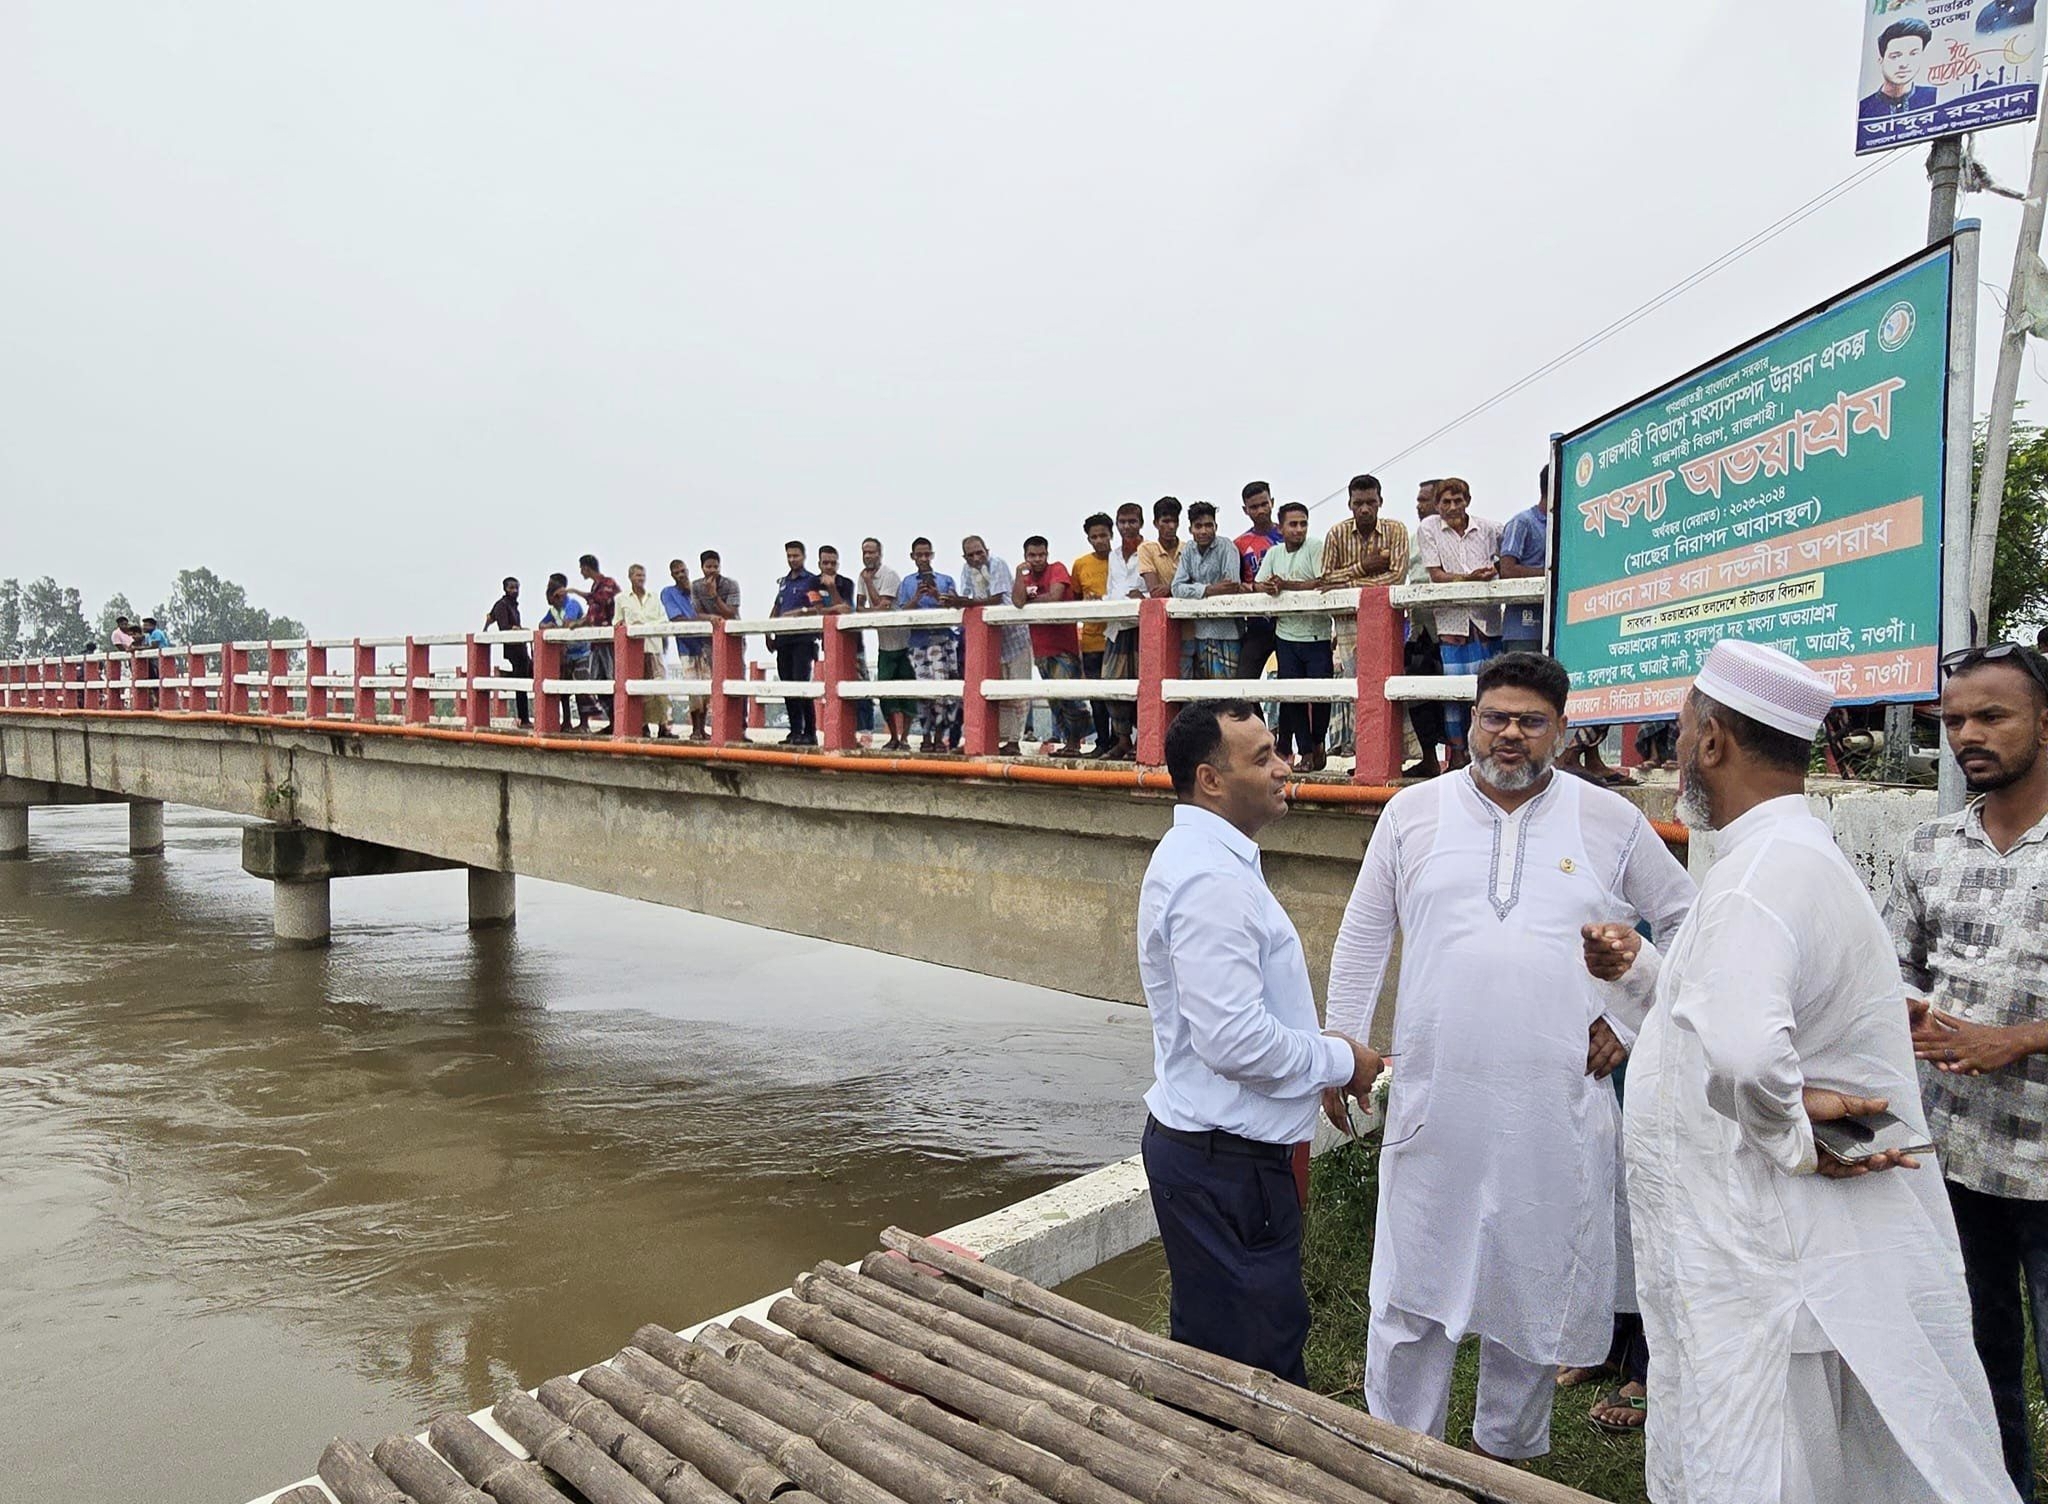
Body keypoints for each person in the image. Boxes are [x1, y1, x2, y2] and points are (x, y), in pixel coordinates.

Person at [1586, 639, 2015, 1504]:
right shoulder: (1781, 857)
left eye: (1678, 734)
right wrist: (1641, 972)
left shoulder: (1759, 877)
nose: (1672, 754)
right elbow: (1723, 1017)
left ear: (1713, 743)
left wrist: (1785, 1129)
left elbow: (1745, 1050)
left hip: (1766, 1260)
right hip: (1774, 1259)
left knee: (1761, 1469)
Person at [1326, 651, 1694, 1465]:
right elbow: (1363, 934)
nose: (1511, 735)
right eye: (1496, 717)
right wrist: (1344, 1044)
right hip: (1437, 1095)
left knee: (1535, 1287)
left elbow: (1688, 920)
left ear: (1561, 730)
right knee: (1412, 1288)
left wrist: (1631, 1020)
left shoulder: (1611, 822)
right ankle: (1398, 1454)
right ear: (1471, 722)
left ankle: (1506, 1460)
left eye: (1531, 721)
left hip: (1552, 1102)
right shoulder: (1412, 814)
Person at [1139, 699, 1384, 1385]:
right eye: (1264, 758)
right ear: (1210, 780)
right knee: (1257, 1374)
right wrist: (1342, 1058)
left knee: (1222, 1357)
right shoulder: (1212, 880)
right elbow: (1236, 1042)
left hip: (1221, 1160)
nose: (1286, 768)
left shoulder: (1210, 860)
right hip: (1229, 1169)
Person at [1892, 643, 2048, 1500]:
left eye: (1992, 716)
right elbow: (1898, 964)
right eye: (1954, 721)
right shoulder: (1931, 844)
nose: (1968, 736)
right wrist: (1908, 1006)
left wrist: (2017, 1040)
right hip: (1953, 1161)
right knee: (1977, 1377)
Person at [1320, 474, 1410, 758]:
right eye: (1359, 503)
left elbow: (1396, 577)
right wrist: (1363, 567)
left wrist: (1349, 582)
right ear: (1349, 504)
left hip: (1387, 622)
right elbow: (1325, 580)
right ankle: (1363, 755)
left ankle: (1395, 755)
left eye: (1370, 502)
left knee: (1390, 686)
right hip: (1347, 623)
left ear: (1380, 501)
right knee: (1357, 691)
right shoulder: (1336, 534)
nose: (1365, 509)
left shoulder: (1396, 531)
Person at [1418, 477, 1503, 767]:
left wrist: (1498, 570)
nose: (1453, 507)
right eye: (1446, 502)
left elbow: (1510, 551)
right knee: (1455, 695)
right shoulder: (1429, 529)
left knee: (1488, 691)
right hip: (1452, 623)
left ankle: (1489, 753)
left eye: (1458, 500)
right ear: (1437, 505)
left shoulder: (1488, 529)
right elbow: (1436, 575)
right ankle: (1457, 756)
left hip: (1486, 621)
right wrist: (1470, 579)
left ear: (1467, 500)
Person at [1256, 502, 1334, 772]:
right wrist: (1266, 586)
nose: (1298, 529)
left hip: (1316, 634)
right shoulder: (1274, 553)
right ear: (1281, 527)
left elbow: (1321, 582)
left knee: (1321, 695)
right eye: (1293, 524)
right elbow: (1259, 582)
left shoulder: (1314, 547)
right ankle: (1306, 752)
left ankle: (1318, 742)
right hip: (1286, 634)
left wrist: (1284, 586)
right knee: (1293, 698)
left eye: (1303, 523)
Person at [1012, 535, 1093, 757]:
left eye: (1041, 554)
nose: (1037, 559)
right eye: (1032, 555)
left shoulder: (1057, 568)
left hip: (1063, 647)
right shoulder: (1025, 578)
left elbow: (1056, 597)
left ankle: (1075, 742)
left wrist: (1031, 602)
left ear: (1047, 554)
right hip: (1041, 648)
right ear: (1025, 556)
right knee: (1055, 699)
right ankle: (1069, 743)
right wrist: (1020, 575)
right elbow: (1018, 602)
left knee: (1070, 697)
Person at [954, 536, 1032, 756]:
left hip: (1014, 636)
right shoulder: (966, 570)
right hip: (990, 639)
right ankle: (996, 739)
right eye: (971, 555)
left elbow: (996, 598)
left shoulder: (996, 564)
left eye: (980, 553)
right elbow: (968, 596)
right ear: (965, 557)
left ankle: (1015, 741)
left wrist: (964, 603)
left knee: (1019, 690)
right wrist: (958, 602)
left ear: (987, 551)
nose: (977, 558)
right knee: (996, 693)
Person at [1170, 502, 1246, 681]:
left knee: (1229, 690)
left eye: (1208, 525)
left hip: (1228, 631)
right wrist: (1209, 589)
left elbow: (1231, 586)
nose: (1203, 531)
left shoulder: (1226, 547)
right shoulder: (1188, 550)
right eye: (1198, 526)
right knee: (1207, 692)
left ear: (1215, 526)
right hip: (1201, 631)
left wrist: (1196, 589)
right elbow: (1176, 588)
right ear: (1191, 529)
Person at [897, 538, 961, 753]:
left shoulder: (946, 580)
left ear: (932, 555)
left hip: (943, 640)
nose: (923, 559)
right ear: (912, 556)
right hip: (919, 643)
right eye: (919, 555)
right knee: (923, 693)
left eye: (927, 554)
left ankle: (939, 738)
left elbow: (955, 607)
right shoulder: (907, 583)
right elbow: (902, 612)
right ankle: (925, 737)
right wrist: (917, 596)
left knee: (944, 693)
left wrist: (936, 595)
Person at [1097, 503, 1148, 761]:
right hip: (1117, 626)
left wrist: (1143, 597)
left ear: (1141, 523)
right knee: (1112, 684)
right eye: (1122, 522)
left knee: (1145, 684)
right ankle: (1123, 739)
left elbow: (1155, 588)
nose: (1127, 527)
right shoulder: (1114, 556)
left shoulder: (1149, 551)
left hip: (1143, 627)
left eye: (1132, 521)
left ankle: (1143, 741)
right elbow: (1112, 587)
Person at [1403, 481, 1446, 777]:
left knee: (1457, 694)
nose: (1419, 505)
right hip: (1419, 628)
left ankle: (1459, 758)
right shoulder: (1412, 537)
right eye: (1417, 500)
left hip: (1451, 627)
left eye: (1425, 500)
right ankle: (1429, 757)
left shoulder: (1452, 536)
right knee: (1418, 692)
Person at [859, 537, 914, 752]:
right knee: (884, 693)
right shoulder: (861, 576)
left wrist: (870, 583)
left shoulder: (889, 575)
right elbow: (859, 607)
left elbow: (882, 606)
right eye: (865, 552)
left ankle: (906, 737)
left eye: (872, 552)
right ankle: (893, 736)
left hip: (903, 642)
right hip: (884, 645)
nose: (868, 556)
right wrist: (875, 605)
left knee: (908, 692)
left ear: (880, 554)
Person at [768, 540, 821, 746]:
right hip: (783, 639)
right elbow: (777, 607)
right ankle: (794, 731)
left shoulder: (810, 581)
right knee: (787, 685)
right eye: (789, 556)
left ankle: (810, 732)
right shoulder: (784, 582)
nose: (792, 560)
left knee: (801, 685)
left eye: (795, 556)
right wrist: (768, 631)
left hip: (803, 638)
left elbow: (817, 607)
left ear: (803, 556)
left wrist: (799, 613)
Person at [1235, 482, 1286, 685]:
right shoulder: (1240, 544)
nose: (1261, 510)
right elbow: (1237, 584)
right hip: (1257, 623)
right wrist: (1253, 588)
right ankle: (1258, 719)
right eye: (1254, 507)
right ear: (1245, 510)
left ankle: (1286, 720)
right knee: (1243, 683)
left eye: (1264, 504)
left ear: (1272, 502)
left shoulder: (1287, 535)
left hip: (1289, 622)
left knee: (1292, 684)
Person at [1495, 465, 1551, 649]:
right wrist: (1551, 574)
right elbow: (1507, 570)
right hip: (1523, 626)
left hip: (1554, 624)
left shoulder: (1563, 523)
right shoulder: (1522, 522)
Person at [1073, 513, 1115, 754]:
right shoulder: (1080, 564)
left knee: (1120, 695)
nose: (1099, 540)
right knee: (1096, 696)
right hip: (1091, 639)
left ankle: (1122, 741)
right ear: (1088, 539)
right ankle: (1101, 742)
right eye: (1094, 537)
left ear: (1111, 535)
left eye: (1103, 535)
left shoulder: (1121, 560)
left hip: (1117, 637)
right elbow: (1076, 599)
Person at [614, 564, 673, 737]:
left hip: (654, 647)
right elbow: (617, 623)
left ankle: (664, 725)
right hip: (634, 651)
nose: (641, 578)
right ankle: (642, 725)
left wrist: (645, 627)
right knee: (638, 689)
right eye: (637, 575)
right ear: (630, 577)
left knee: (659, 686)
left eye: (643, 575)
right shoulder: (622, 599)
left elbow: (663, 621)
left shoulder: (653, 597)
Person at [661, 560, 708, 741]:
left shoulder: (696, 591)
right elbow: (677, 618)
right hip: (687, 646)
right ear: (672, 575)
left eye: (683, 571)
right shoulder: (669, 593)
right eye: (676, 572)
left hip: (705, 645)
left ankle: (703, 728)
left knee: (707, 689)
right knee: (694, 688)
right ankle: (695, 729)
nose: (681, 575)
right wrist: (703, 621)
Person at [542, 581, 599, 729]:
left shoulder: (571, 604)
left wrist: (554, 627)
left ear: (557, 596)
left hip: (581, 652)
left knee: (581, 689)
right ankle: (566, 721)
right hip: (567, 655)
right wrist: (548, 625)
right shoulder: (554, 610)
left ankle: (584, 723)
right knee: (564, 690)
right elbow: (542, 624)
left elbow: (568, 623)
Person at [573, 554, 620, 724]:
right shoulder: (595, 587)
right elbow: (592, 615)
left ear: (586, 568)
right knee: (596, 681)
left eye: (581, 568)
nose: (581, 572)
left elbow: (601, 600)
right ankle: (612, 720)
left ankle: (618, 721)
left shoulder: (607, 584)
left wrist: (574, 592)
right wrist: (577, 624)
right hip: (596, 643)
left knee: (611, 678)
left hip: (608, 642)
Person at [1860, 18, 1937, 119]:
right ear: (1880, 60)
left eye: (1913, 54)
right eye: (1895, 56)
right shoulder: (1864, 109)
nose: (1904, 64)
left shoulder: (1935, 97)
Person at [482, 577, 532, 727]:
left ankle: (506, 676)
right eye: (511, 588)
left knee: (527, 677)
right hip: (513, 649)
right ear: (505, 589)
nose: (515, 591)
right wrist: (484, 630)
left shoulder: (513, 606)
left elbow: (490, 618)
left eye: (516, 588)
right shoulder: (502, 605)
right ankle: (524, 720)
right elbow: (503, 626)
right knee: (521, 684)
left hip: (521, 648)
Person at [1137, 496, 1184, 597]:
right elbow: (1155, 592)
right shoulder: (1146, 549)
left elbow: (1199, 584)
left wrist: (1169, 588)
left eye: (1174, 521)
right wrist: (1184, 588)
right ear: (1156, 523)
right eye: (1166, 521)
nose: (1171, 526)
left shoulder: (1189, 549)